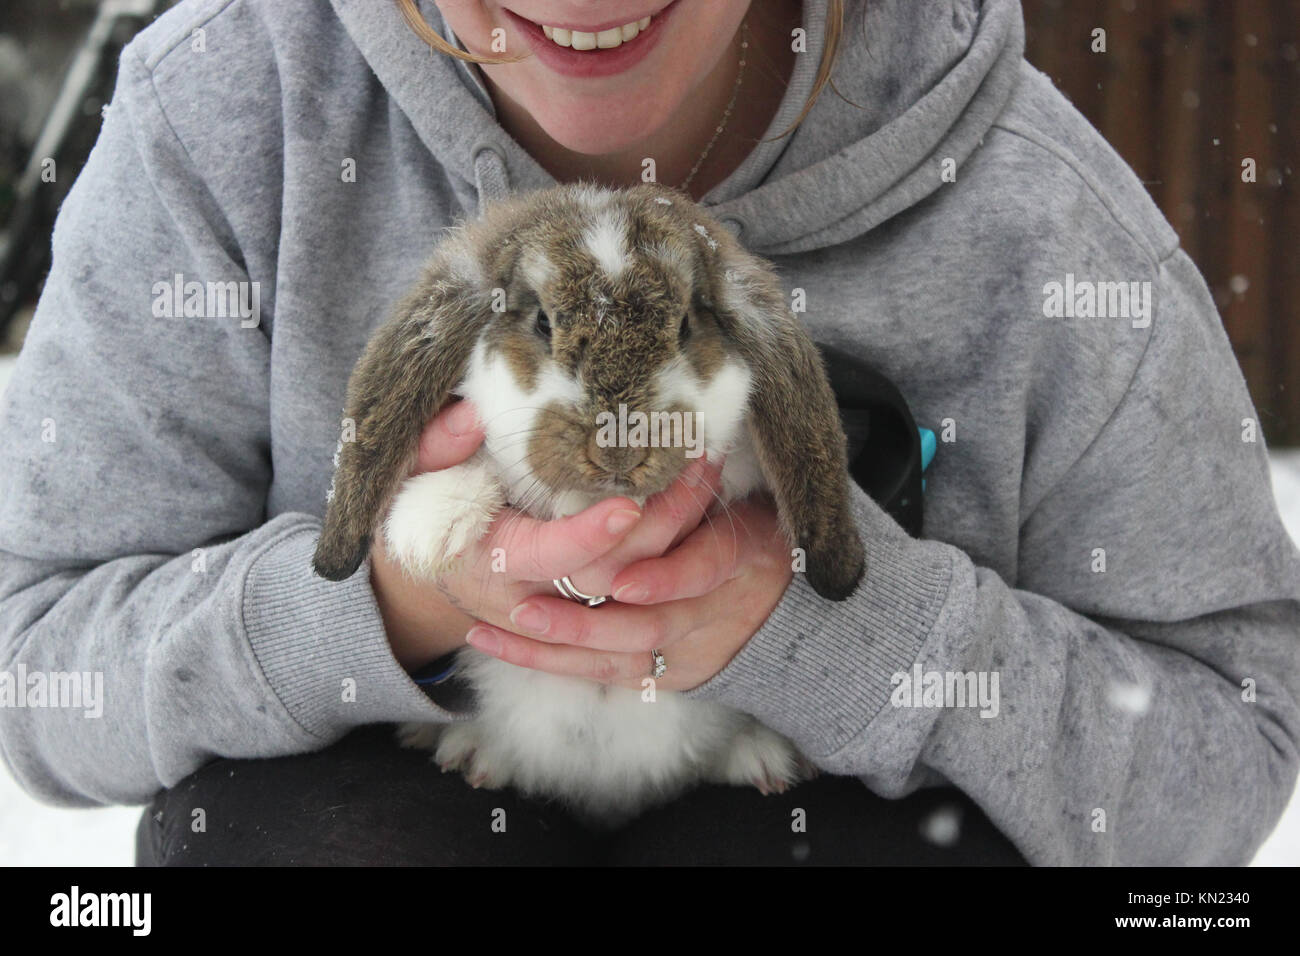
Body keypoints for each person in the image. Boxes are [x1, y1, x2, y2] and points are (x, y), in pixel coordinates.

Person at [1, 0, 1297, 867]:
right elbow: (36, 668)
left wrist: (833, 622)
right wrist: (375, 597)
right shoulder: (225, 115)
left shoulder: (1038, 214)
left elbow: (1238, 751)